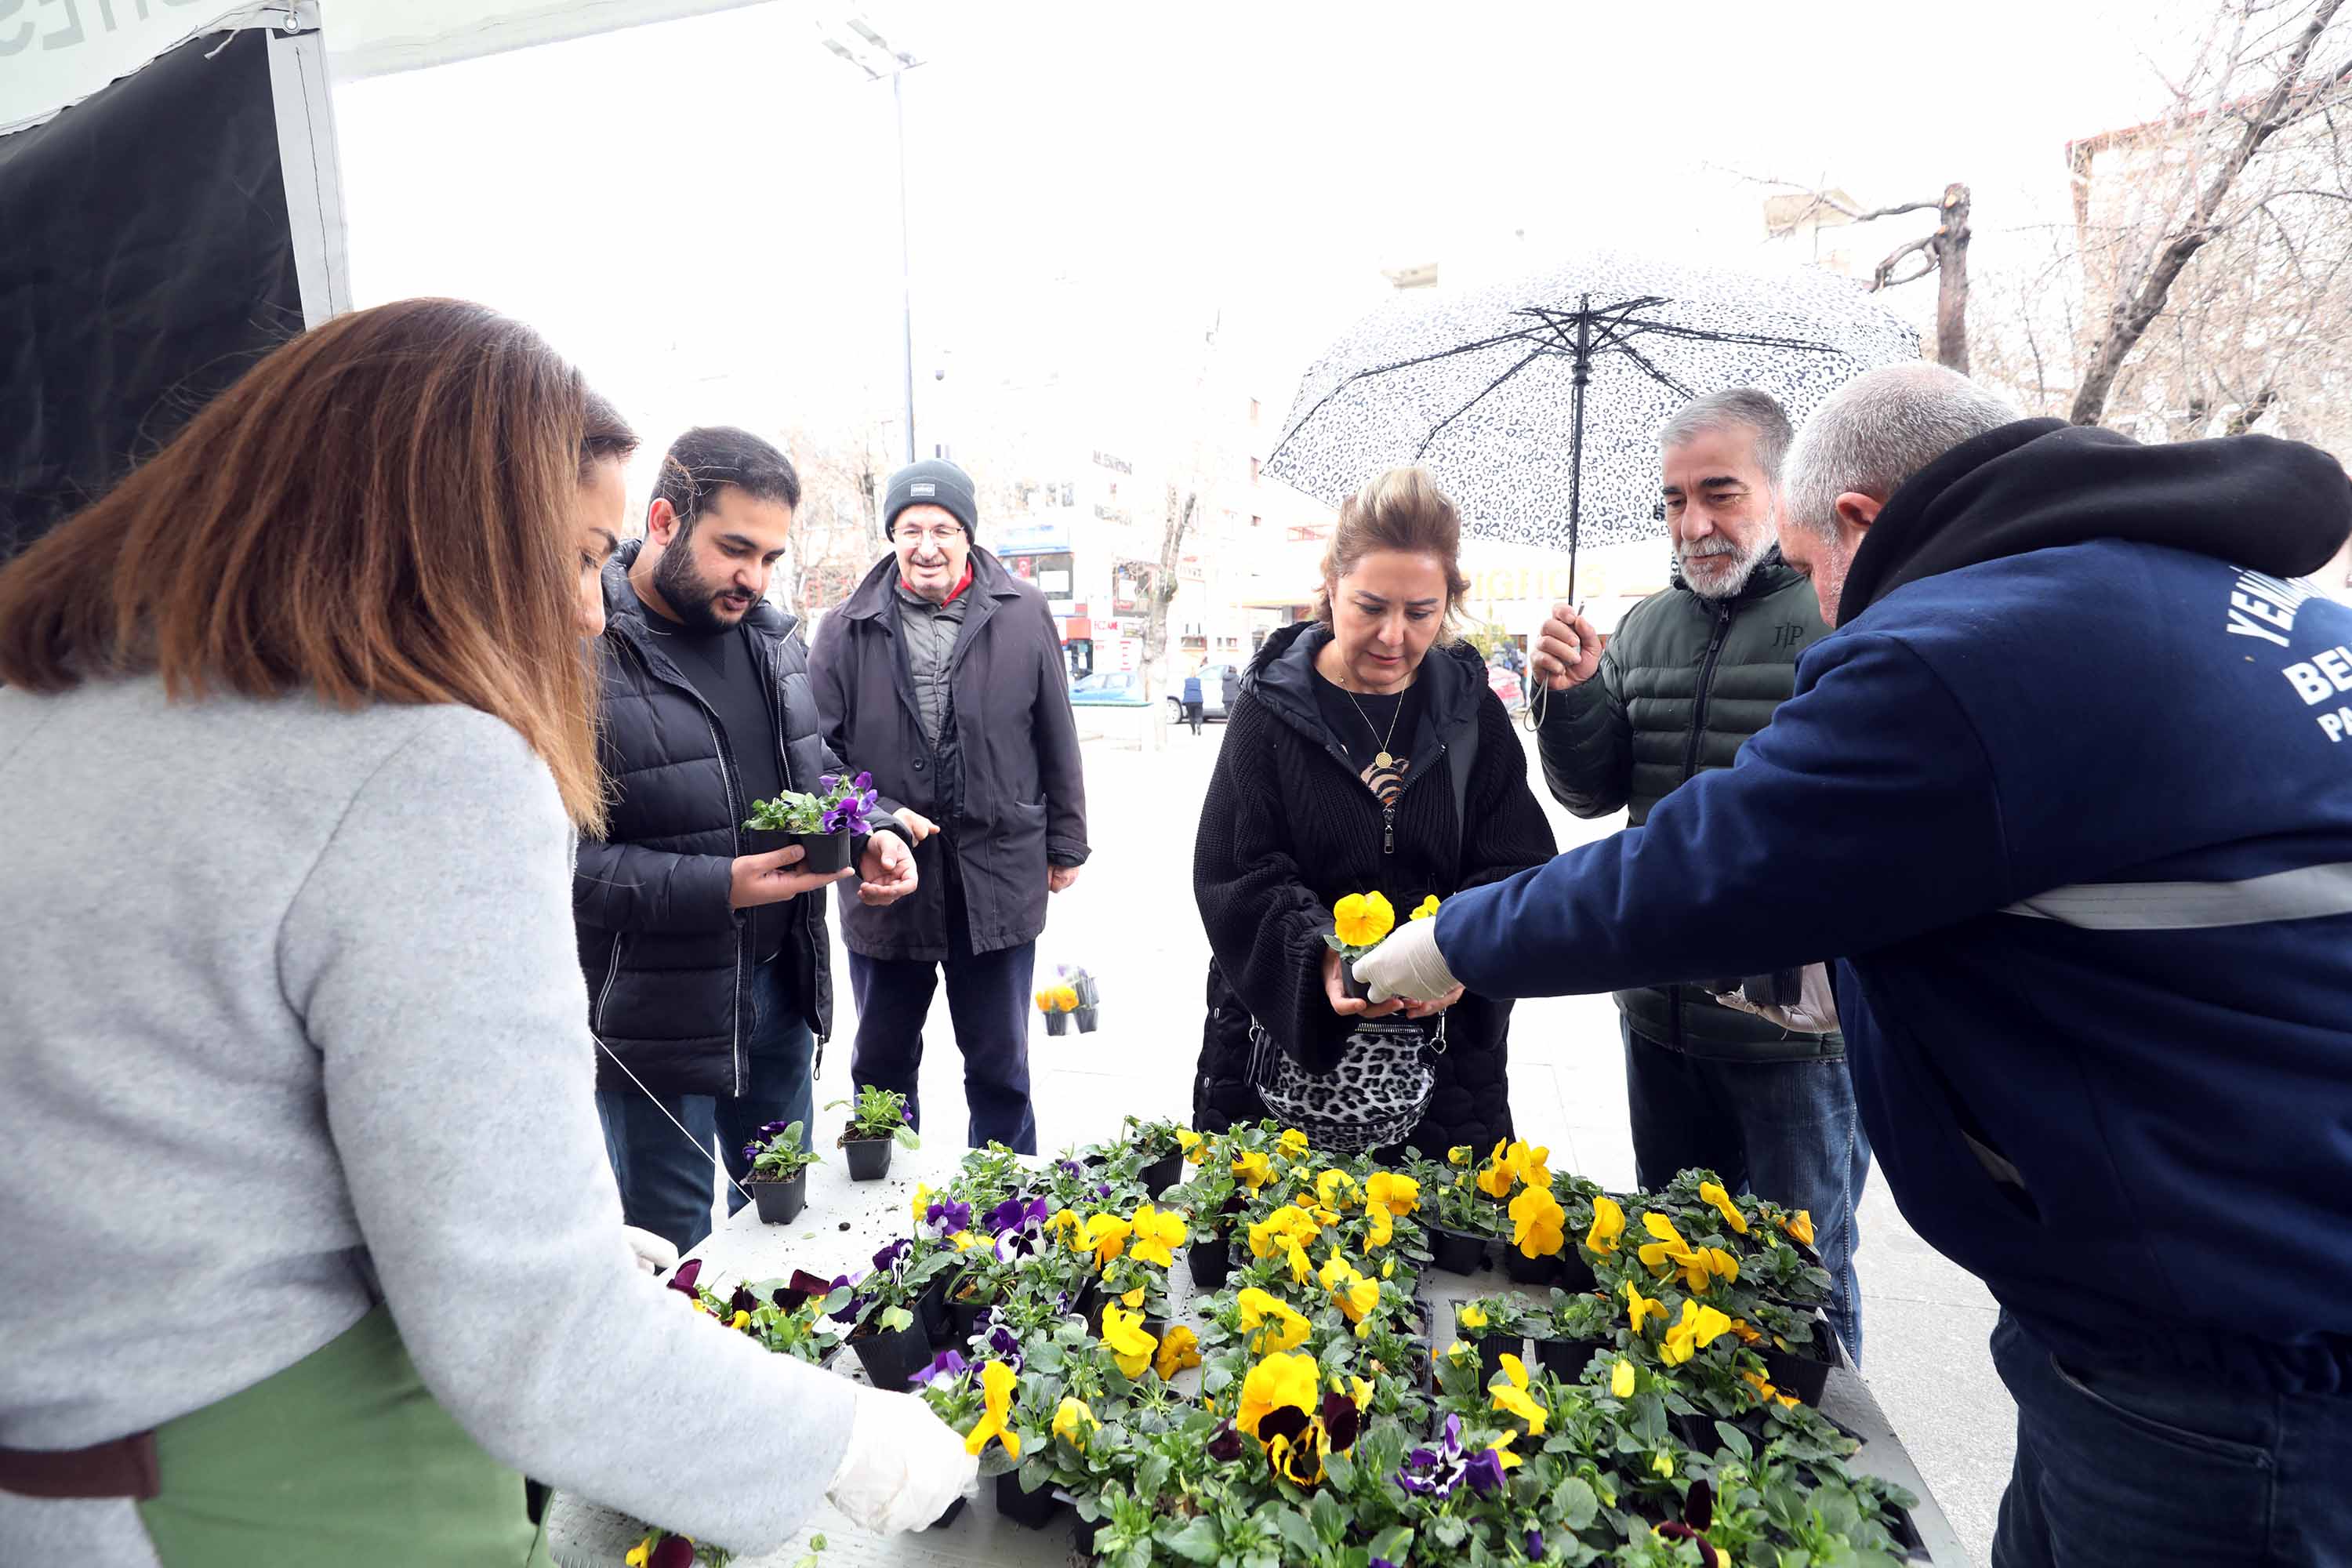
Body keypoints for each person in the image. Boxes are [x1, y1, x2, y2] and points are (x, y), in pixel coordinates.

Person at [0, 300, 971, 1566]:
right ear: (437, 529)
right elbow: (535, 1339)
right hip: (270, 1492)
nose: (587, 614)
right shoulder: (425, 764)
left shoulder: (50, 708)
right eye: (575, 557)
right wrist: (855, 1445)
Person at [1356, 363, 2352, 1568]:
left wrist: (1446, 942)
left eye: (1806, 559)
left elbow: (1694, 867)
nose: (1825, 604)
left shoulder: (1973, 646)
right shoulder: (2203, 594)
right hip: (2200, 1297)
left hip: (2229, 1374)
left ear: (1859, 520)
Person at [1530, 386, 1867, 1367]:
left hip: (1794, 1039)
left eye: (1720, 491)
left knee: (1802, 1288)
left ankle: (1828, 1455)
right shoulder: (1644, 629)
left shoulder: (1838, 614)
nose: (1693, 523)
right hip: (1660, 1015)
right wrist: (1572, 695)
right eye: (1674, 499)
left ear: (1782, 489)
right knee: (1673, 1272)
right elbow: (1592, 793)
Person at [579, 426, 919, 1254]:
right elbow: (561, 865)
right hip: (657, 1021)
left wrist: (867, 829)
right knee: (676, 1253)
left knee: (785, 1236)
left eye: (770, 556)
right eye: (735, 549)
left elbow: (814, 767)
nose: (754, 578)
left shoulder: (772, 638)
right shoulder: (582, 646)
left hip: (780, 993)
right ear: (664, 520)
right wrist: (719, 885)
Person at [1192, 467, 1555, 1156]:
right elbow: (1234, 873)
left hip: (1445, 1069)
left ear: (1449, 602)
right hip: (1279, 1056)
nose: (1393, 636)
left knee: (1437, 1221)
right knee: (1280, 1225)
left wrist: (1459, 951)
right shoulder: (1268, 710)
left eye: (1420, 612)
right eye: (1370, 607)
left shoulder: (1472, 712)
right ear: (1331, 587)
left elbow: (1519, 865)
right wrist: (1321, 957)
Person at [810, 458, 1088, 1155]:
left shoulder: (1023, 612)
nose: (926, 546)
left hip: (997, 874)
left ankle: (1005, 1205)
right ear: (892, 537)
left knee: (1000, 1068)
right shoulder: (844, 628)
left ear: (968, 534)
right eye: (911, 530)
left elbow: (1056, 733)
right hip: (886, 880)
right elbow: (816, 756)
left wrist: (1067, 842)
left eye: (943, 529)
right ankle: (879, 1201)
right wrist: (876, 820)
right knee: (881, 1067)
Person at [1181, 664, 1206, 735]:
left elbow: (1184, 690)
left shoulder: (1186, 681)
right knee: (1199, 715)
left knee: (1191, 716)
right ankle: (1198, 725)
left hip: (1188, 701)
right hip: (1198, 700)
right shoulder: (1198, 681)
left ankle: (1193, 731)